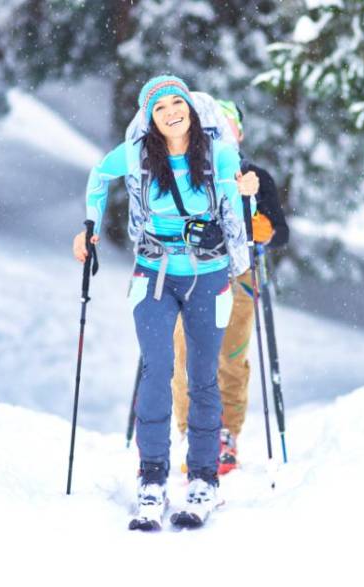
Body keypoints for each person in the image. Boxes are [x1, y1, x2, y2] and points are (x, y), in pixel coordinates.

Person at [73, 75, 257, 529]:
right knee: (157, 371)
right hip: (153, 274)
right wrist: (90, 225)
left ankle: (203, 480)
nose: (172, 111)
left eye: (178, 102)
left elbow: (236, 213)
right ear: (149, 118)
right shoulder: (136, 155)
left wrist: (247, 200)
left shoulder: (220, 153)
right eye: (160, 107)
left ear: (191, 108)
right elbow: (99, 175)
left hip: (209, 276)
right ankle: (151, 479)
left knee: (203, 376)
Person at [171, 99, 289, 475]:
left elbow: (279, 232)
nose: (220, 131)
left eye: (228, 125)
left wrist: (258, 228)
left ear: (238, 132)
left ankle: (225, 433)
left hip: (238, 275)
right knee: (183, 352)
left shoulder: (255, 176)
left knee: (229, 354)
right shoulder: (187, 173)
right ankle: (191, 430)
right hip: (189, 271)